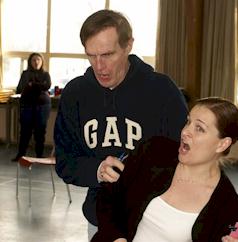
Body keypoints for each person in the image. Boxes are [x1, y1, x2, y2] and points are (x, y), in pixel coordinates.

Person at [53, 9, 188, 240]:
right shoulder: (75, 94)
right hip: (101, 221)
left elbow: (186, 157)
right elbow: (65, 161)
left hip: (155, 223)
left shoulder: (162, 91)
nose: (99, 66)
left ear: (128, 46)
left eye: (107, 54)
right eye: (91, 55)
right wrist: (97, 170)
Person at [92, 97, 238, 242]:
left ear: (222, 144)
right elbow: (108, 195)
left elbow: (233, 233)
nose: (185, 132)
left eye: (199, 128)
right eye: (188, 122)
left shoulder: (229, 206)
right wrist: (116, 237)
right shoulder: (153, 151)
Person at [12, 52, 52, 161]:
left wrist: (32, 85)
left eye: (38, 60)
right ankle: (20, 155)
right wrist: (38, 86)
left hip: (42, 107)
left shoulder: (45, 74)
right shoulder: (25, 74)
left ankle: (39, 155)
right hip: (27, 106)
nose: (36, 62)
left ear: (42, 61)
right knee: (25, 131)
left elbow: (47, 86)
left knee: (40, 132)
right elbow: (20, 88)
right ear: (30, 62)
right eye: (34, 60)